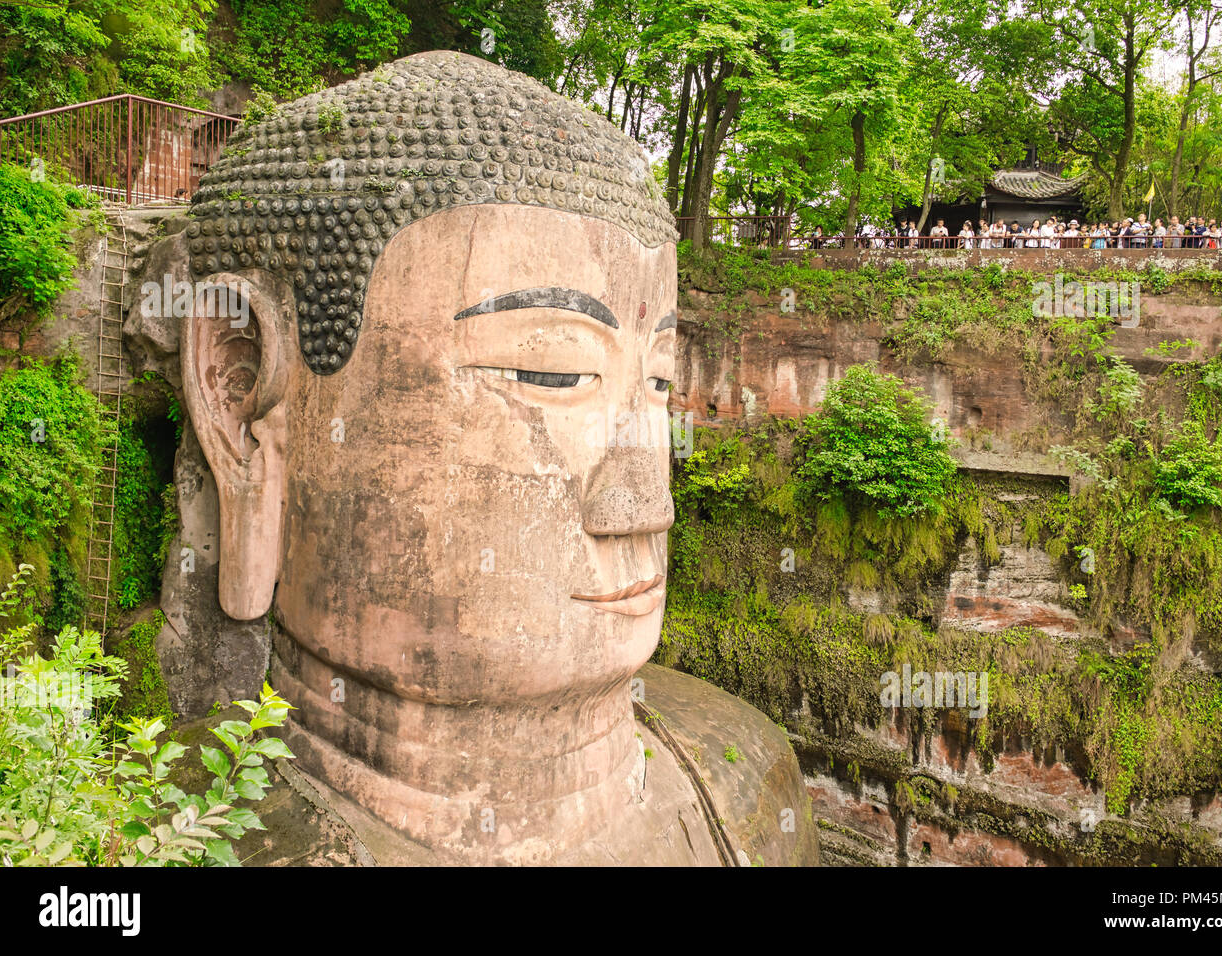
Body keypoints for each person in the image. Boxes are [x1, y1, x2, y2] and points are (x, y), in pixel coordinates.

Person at [173, 48, 818, 867]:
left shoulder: (748, 778)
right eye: (552, 369)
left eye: (658, 380)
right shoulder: (175, 845)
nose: (646, 505)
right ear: (239, 397)